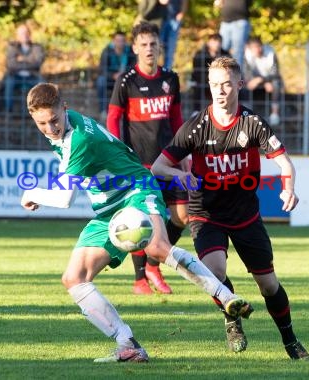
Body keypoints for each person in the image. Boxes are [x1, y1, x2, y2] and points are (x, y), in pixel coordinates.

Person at [21, 82, 252, 363]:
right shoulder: (68, 126)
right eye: (41, 123)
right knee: (74, 278)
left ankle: (226, 297)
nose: (49, 128)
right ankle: (127, 344)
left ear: (64, 108)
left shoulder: (78, 139)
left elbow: (64, 198)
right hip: (109, 209)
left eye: (54, 120)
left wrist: (32, 193)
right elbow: (68, 164)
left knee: (157, 247)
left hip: (136, 190)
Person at [151, 57, 309, 360]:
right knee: (214, 271)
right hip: (206, 214)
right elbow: (159, 167)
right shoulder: (196, 126)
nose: (221, 91)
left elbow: (284, 161)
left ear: (239, 84)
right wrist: (181, 176)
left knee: (267, 285)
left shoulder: (252, 123)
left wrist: (289, 187)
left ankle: (290, 341)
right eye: (214, 85)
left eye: (226, 84)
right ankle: (231, 317)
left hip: (245, 215)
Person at [107, 21, 187, 295]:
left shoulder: (171, 79)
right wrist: (118, 154)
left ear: (159, 46)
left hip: (166, 160)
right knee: (141, 219)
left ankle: (154, 263)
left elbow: (176, 118)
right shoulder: (126, 81)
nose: (149, 48)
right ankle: (140, 279)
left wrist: (183, 152)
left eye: (153, 43)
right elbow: (114, 118)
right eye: (144, 44)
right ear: (135, 48)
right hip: (138, 162)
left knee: (182, 216)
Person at [3, 24, 45, 113]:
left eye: (26, 33)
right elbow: (11, 64)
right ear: (17, 36)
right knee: (8, 82)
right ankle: (9, 111)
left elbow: (38, 63)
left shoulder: (36, 47)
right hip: (15, 76)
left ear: (30, 34)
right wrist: (30, 61)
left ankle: (41, 110)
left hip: (32, 76)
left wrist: (21, 60)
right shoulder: (12, 47)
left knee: (43, 85)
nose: (24, 35)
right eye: (21, 33)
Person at [96, 31, 135, 123]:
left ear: (125, 41)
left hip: (125, 77)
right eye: (118, 40)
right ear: (114, 41)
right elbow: (102, 69)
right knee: (100, 81)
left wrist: (123, 74)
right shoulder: (106, 51)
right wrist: (113, 75)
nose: (120, 43)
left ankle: (129, 111)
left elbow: (134, 67)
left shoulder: (130, 51)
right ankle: (103, 111)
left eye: (122, 41)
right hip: (110, 78)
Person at [244, 37, 283, 126]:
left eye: (258, 46)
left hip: (269, 80)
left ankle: (275, 114)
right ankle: (245, 114)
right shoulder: (247, 55)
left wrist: (263, 80)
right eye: (254, 47)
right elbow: (247, 73)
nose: (257, 49)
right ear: (250, 48)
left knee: (276, 84)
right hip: (254, 80)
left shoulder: (270, 53)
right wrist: (256, 80)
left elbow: (275, 73)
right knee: (243, 85)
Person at [191, 33, 230, 113]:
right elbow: (198, 73)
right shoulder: (200, 55)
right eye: (214, 41)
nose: (217, 44)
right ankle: (196, 112)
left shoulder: (226, 55)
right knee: (198, 86)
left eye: (219, 41)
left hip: (221, 81)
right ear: (208, 42)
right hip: (204, 81)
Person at [213, 0, 252, 68]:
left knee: (238, 51)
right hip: (225, 21)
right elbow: (217, 3)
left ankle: (237, 76)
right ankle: (221, 73)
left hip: (240, 21)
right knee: (221, 48)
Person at [160, 0, 188, 70]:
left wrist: (182, 12)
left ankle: (167, 72)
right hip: (161, 20)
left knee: (170, 49)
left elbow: (185, 2)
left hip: (175, 20)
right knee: (157, 47)